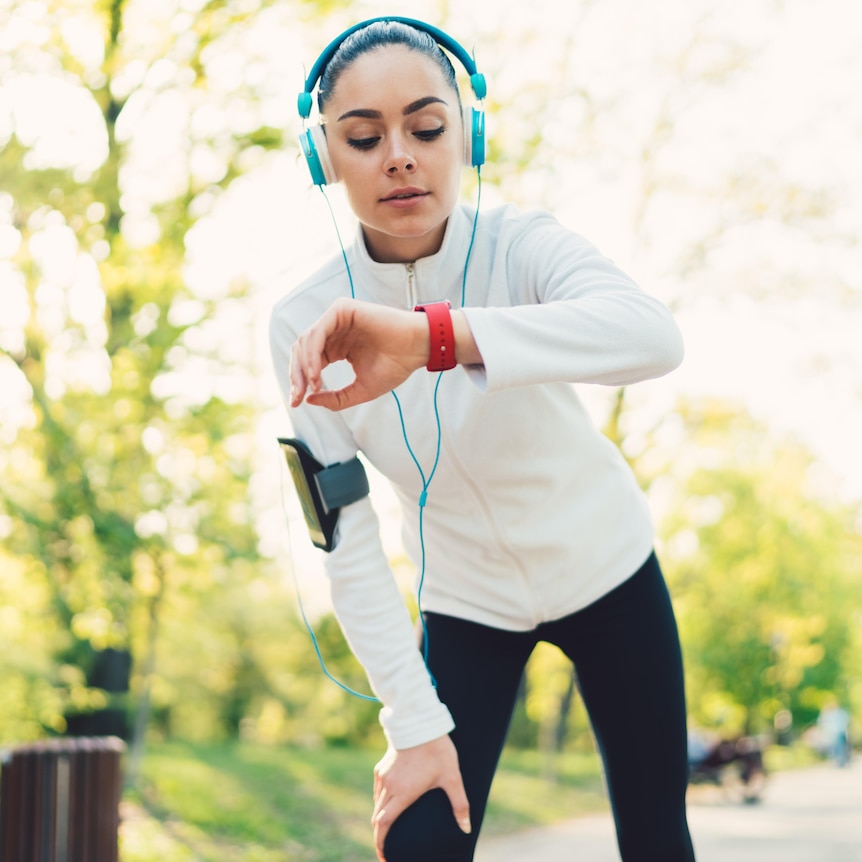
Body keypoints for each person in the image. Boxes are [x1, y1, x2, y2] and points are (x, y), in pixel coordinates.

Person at [270, 17, 695, 862]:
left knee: (656, 839)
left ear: (468, 135)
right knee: (421, 843)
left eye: (426, 127)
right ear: (325, 158)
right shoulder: (301, 322)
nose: (399, 155)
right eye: (364, 137)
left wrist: (434, 337)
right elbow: (346, 540)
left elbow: (652, 338)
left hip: (608, 569)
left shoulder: (523, 246)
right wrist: (413, 722)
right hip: (466, 606)